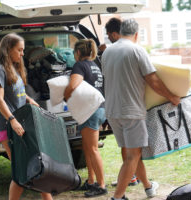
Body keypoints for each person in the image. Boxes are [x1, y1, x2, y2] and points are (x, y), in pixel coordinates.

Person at [101, 19, 180, 200]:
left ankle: (148, 187)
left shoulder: (107, 52)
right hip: (131, 111)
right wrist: (172, 97)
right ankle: (118, 197)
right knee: (132, 156)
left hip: (113, 111)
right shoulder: (137, 50)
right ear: (136, 34)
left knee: (133, 154)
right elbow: (152, 80)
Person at [0, 33, 53, 200]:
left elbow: (17, 93)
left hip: (20, 125)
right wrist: (12, 120)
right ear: (8, 50)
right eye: (19, 50)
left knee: (36, 165)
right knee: (22, 170)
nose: (23, 53)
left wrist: (29, 100)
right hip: (8, 127)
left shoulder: (13, 67)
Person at [64, 39, 107, 198]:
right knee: (88, 148)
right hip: (99, 109)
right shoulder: (95, 65)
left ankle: (101, 185)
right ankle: (91, 181)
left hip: (91, 110)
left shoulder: (80, 65)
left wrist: (65, 95)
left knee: (93, 149)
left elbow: (74, 84)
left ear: (78, 53)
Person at [100, 17, 140, 187]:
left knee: (129, 147)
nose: (108, 37)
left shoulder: (116, 51)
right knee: (132, 149)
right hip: (127, 106)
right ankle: (139, 180)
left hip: (124, 107)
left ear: (115, 34)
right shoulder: (124, 50)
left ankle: (130, 179)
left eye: (109, 35)